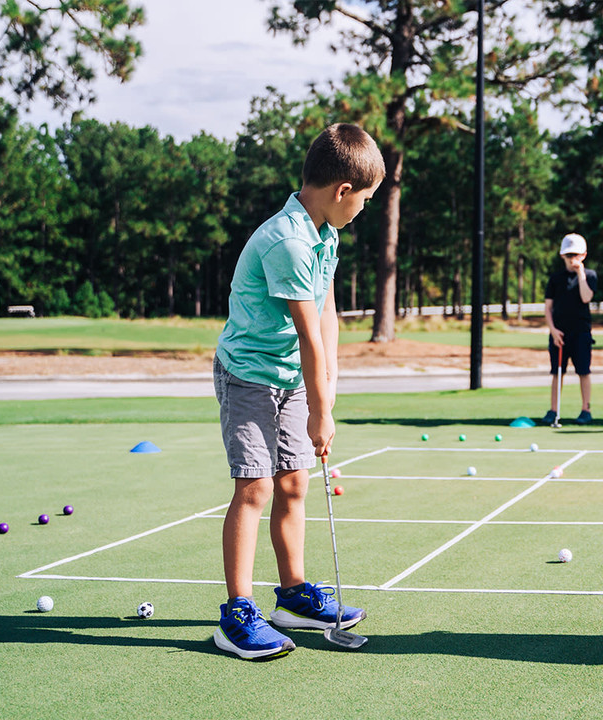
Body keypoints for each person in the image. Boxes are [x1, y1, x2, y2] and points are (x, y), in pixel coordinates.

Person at [212, 123, 384, 660]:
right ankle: (237, 614)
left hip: (288, 378)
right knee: (255, 488)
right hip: (247, 374)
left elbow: (328, 316)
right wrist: (320, 411)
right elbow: (307, 334)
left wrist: (325, 396)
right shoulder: (288, 240)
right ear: (341, 191)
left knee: (294, 485)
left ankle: (291, 596)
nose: (365, 209)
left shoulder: (325, 233)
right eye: (366, 199)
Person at [542, 232, 597, 425]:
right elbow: (548, 308)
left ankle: (585, 409)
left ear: (583, 255)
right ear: (562, 256)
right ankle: (553, 410)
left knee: (583, 371)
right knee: (557, 372)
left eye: (576, 255)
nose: (572, 259)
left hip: (581, 332)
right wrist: (553, 330)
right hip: (559, 334)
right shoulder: (556, 279)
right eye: (568, 255)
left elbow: (586, 297)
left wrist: (581, 273)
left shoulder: (589, 276)